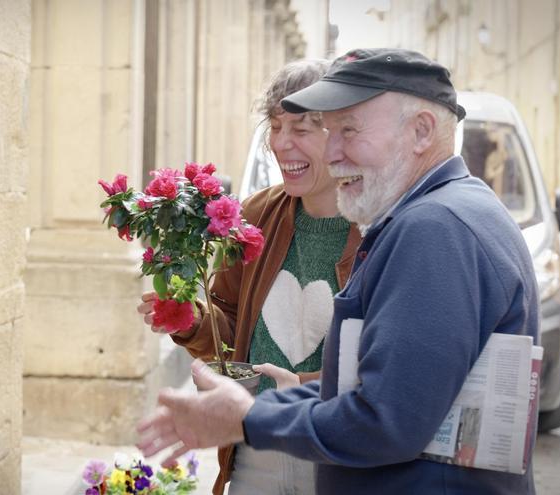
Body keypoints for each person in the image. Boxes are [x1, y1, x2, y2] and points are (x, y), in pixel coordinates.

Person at [136, 48, 539, 495]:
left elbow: (384, 420)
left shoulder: (434, 227)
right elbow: (374, 391)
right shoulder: (453, 209)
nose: (331, 151)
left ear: (421, 131)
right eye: (328, 131)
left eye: (347, 129)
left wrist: (250, 416)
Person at [137, 59, 362, 494]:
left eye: (301, 128)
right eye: (275, 127)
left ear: (339, 134)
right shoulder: (257, 213)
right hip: (255, 449)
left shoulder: (379, 227)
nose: (281, 143)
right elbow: (231, 336)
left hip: (338, 454)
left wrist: (297, 389)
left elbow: (379, 373)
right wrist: (192, 321)